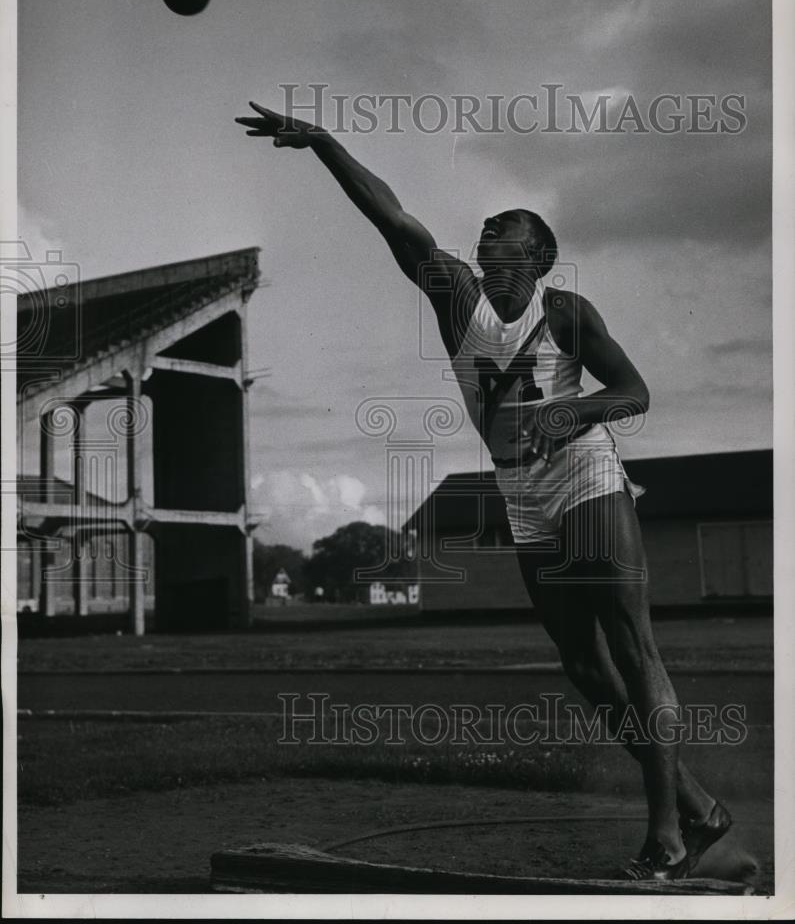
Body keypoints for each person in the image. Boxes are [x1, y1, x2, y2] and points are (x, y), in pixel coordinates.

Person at [235, 102, 732, 880]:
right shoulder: (456, 297)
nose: (484, 232)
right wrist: (324, 144)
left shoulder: (564, 312)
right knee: (581, 664)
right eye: (485, 226)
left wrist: (570, 410)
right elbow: (395, 222)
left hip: (586, 473)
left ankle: (667, 831)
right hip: (522, 490)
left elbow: (633, 391)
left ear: (535, 254)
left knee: (632, 648)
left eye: (501, 226)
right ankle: (698, 804)